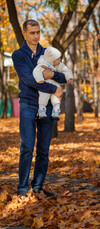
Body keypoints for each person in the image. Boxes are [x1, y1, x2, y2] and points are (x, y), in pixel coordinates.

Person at [11, 19, 65, 197]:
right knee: (27, 146)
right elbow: (29, 80)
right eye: (32, 32)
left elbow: (63, 76)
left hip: (47, 107)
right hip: (27, 104)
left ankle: (38, 187)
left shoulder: (47, 52)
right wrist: (54, 88)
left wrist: (53, 75)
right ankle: (22, 189)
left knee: (43, 149)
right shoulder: (18, 55)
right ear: (25, 33)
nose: (36, 36)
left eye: (38, 32)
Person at [33, 46, 73, 120]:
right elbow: (36, 71)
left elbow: (65, 70)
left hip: (55, 83)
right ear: (52, 60)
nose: (59, 60)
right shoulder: (42, 64)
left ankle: (56, 111)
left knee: (56, 98)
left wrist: (69, 77)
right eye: (57, 59)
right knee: (43, 96)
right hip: (45, 83)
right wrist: (39, 79)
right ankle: (41, 111)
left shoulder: (59, 64)